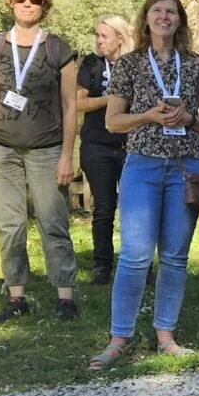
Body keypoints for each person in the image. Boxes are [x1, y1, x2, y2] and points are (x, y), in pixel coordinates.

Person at [92, 0, 199, 366]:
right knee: (134, 255)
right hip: (143, 165)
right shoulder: (129, 64)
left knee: (176, 256)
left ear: (179, 20)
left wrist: (190, 120)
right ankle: (119, 338)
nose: (164, 17)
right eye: (157, 11)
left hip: (187, 166)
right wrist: (148, 116)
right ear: (145, 19)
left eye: (171, 12)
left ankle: (166, 335)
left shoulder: (195, 64)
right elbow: (113, 121)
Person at [0, 0, 81, 322]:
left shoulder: (57, 48)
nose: (27, 3)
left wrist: (66, 154)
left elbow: (70, 105)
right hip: (0, 148)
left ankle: (65, 297)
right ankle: (16, 296)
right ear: (11, 2)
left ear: (44, 5)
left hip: (46, 149)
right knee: (9, 224)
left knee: (53, 221)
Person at [72, 14, 133, 284]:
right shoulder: (91, 64)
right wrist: (111, 99)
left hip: (131, 145)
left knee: (135, 208)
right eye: (97, 35)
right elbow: (79, 104)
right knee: (104, 207)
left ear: (120, 38)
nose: (99, 40)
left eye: (104, 36)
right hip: (97, 146)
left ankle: (138, 264)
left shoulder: (136, 64)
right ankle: (102, 265)